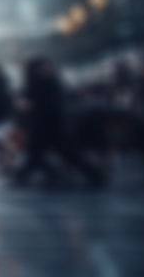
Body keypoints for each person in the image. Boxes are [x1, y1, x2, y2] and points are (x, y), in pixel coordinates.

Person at [12, 57, 104, 188]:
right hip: (47, 125)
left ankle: (94, 174)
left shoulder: (47, 82)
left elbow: (47, 104)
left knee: (64, 153)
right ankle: (23, 175)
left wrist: (31, 106)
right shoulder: (47, 81)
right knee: (38, 153)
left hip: (51, 125)